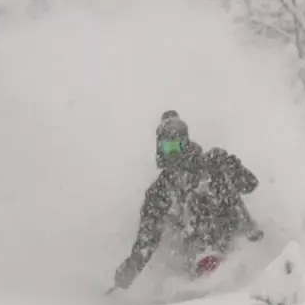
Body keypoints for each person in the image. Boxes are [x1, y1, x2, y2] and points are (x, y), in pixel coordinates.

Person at [113, 110, 263, 291]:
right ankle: (202, 259)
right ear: (160, 148)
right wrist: (131, 268)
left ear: (188, 143)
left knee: (206, 184)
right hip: (192, 246)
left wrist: (232, 167)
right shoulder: (160, 191)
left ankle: (245, 241)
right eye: (169, 147)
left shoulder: (211, 163)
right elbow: (148, 236)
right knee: (179, 205)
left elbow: (250, 184)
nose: (174, 153)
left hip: (229, 231)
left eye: (179, 145)